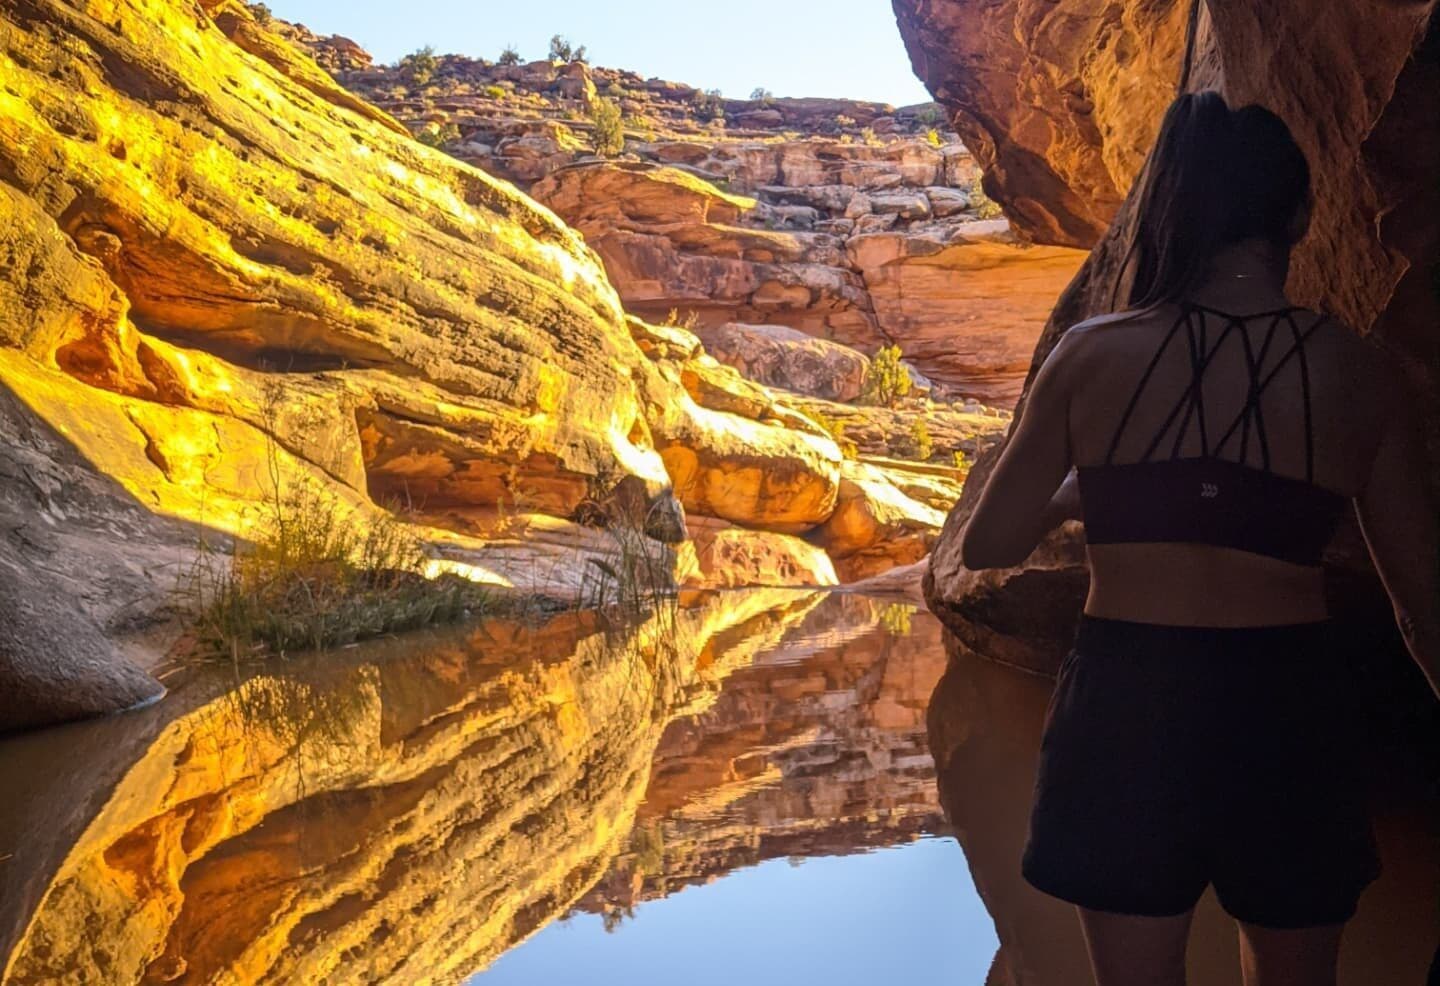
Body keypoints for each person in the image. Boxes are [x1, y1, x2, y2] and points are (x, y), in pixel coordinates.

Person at [957, 90, 1440, 986]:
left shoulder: (1093, 354)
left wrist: (1077, 497)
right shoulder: (1359, 371)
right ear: (1299, 215)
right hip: (1287, 704)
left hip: (1128, 702)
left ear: (1172, 213)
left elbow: (986, 546)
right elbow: (1422, 607)